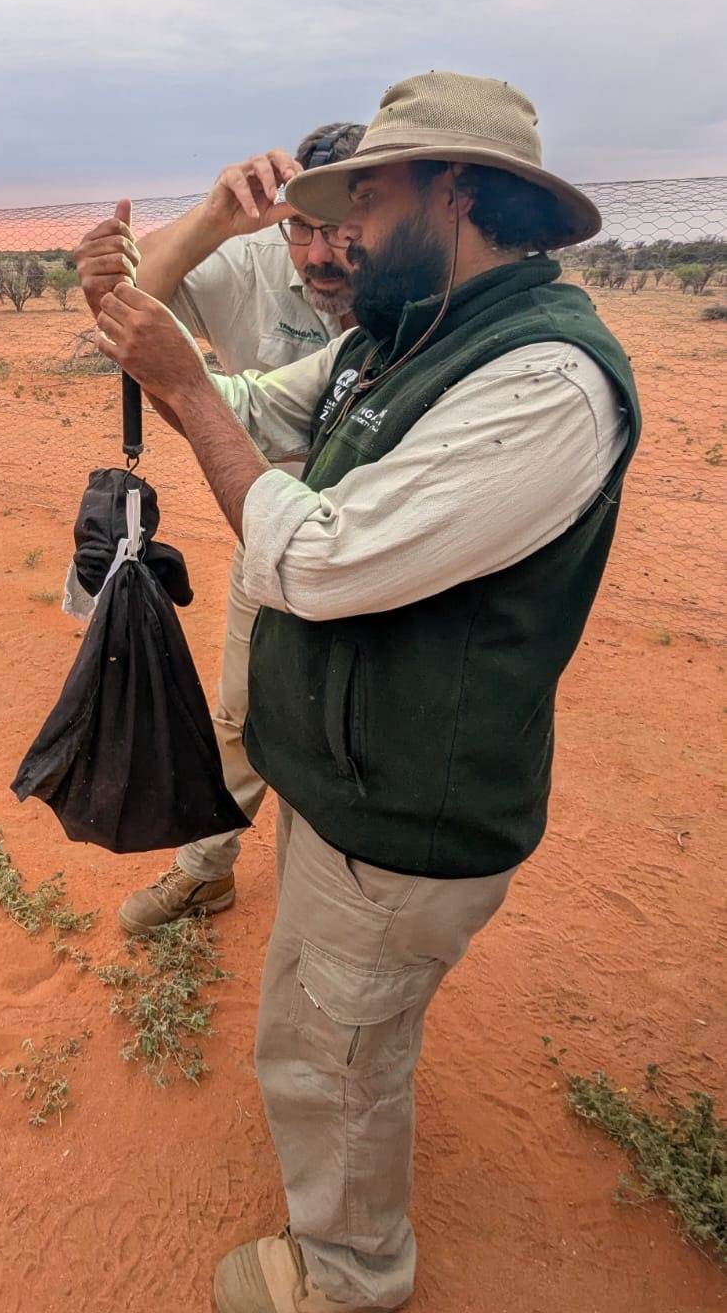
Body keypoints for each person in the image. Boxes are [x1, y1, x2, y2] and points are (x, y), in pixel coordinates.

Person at [77, 71, 642, 1313]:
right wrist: (152, 341)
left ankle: (347, 1273)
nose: (339, 236)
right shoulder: (398, 338)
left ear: (454, 192)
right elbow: (244, 411)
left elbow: (317, 561)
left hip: (404, 810)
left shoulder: (540, 381)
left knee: (333, 1050)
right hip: (347, 776)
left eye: (365, 200)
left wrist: (177, 386)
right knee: (330, 1017)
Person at [75, 121, 366, 934]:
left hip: (380, 552)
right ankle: (207, 872)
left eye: (345, 231)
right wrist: (212, 219)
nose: (320, 254)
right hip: (266, 530)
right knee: (239, 713)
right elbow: (132, 313)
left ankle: (342, 919)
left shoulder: (412, 286)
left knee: (353, 741)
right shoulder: (252, 258)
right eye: (303, 227)